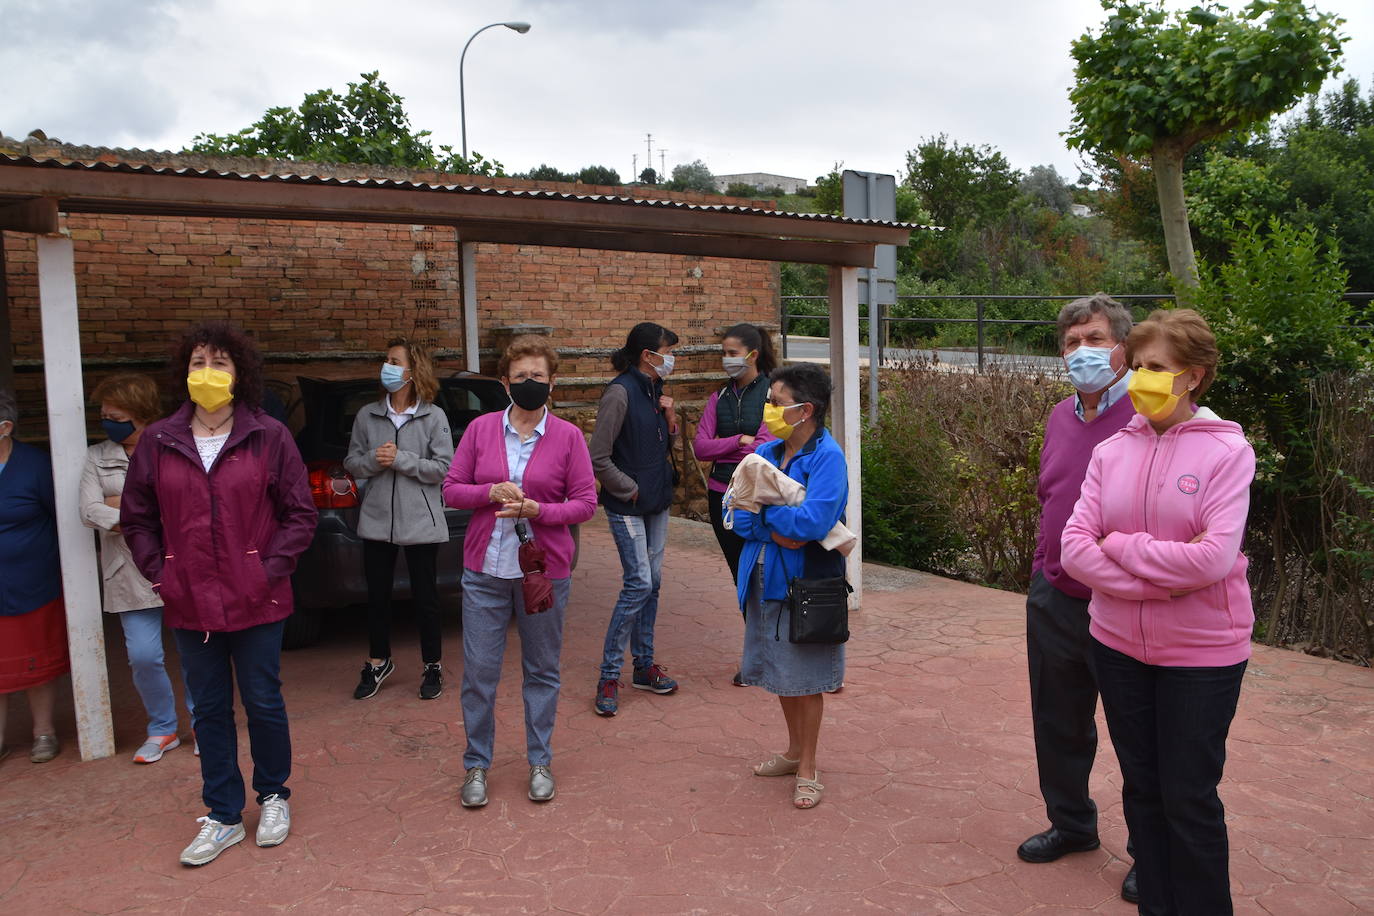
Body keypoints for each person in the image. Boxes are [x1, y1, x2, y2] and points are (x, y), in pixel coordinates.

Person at [1061, 309, 1255, 915]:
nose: (1142, 378)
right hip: (1117, 645)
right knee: (1143, 791)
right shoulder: (1112, 450)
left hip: (1202, 653)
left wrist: (1117, 547)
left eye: (1158, 368)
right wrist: (1147, 582)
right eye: (1138, 366)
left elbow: (1211, 561)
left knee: (1188, 797)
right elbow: (1073, 546)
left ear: (1193, 377)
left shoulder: (1227, 452)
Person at [121, 321, 316, 867]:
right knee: (208, 710)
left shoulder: (267, 435)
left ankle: (274, 796)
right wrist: (162, 573)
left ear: (240, 374)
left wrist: (267, 570)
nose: (208, 373)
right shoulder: (159, 440)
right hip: (189, 599)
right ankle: (224, 815)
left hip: (258, 597)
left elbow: (300, 515)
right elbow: (136, 519)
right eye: (199, 363)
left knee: (262, 701)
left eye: (220, 363)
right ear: (185, 373)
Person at [441, 335, 596, 807]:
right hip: (485, 572)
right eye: (521, 376)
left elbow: (586, 504)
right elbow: (451, 490)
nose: (530, 384)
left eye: (539, 377)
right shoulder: (481, 430)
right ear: (505, 381)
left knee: (542, 670)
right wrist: (489, 492)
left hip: (543, 573)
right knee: (480, 674)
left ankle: (540, 760)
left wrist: (537, 510)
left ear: (553, 384)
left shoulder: (568, 436)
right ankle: (476, 766)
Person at [1019, 293, 1138, 902]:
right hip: (1056, 597)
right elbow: (1051, 498)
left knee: (1139, 732)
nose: (1082, 352)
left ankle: (1152, 847)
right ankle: (1071, 824)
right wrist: (1044, 569)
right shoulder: (1059, 417)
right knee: (1058, 720)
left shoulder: (1154, 416)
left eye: (1094, 339)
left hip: (1125, 605)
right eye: (1071, 343)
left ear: (1124, 347)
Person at [729, 364, 847, 810]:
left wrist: (765, 517)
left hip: (805, 582)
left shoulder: (827, 457)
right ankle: (794, 751)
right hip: (762, 574)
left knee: (806, 675)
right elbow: (739, 515)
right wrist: (772, 526)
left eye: (777, 403)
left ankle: (809, 767)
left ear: (805, 410)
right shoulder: (768, 452)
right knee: (780, 670)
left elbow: (815, 522)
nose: (770, 410)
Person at [81, 372, 197, 764]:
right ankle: (162, 727)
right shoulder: (96, 457)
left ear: (140, 413)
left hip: (179, 564)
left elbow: (188, 504)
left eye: (114, 414)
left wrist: (121, 505)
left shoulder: (172, 446)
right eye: (103, 413)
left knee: (198, 651)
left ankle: (205, 724)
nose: (106, 420)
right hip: (126, 573)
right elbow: (88, 509)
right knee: (144, 655)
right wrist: (141, 512)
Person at [344, 337, 454, 701]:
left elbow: (444, 468)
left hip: (421, 520)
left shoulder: (433, 416)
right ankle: (378, 661)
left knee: (426, 598)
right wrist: (375, 460)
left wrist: (402, 459)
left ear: (412, 371)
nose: (386, 366)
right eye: (385, 359)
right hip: (376, 520)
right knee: (377, 596)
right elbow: (352, 463)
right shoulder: (367, 415)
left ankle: (432, 664)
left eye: (394, 360)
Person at [589, 321, 681, 717]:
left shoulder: (654, 390)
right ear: (648, 355)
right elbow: (598, 456)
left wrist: (672, 419)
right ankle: (609, 674)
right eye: (667, 351)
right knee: (639, 581)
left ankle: (643, 666)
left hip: (657, 500)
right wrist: (629, 488)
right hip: (627, 503)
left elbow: (660, 443)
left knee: (653, 582)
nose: (671, 359)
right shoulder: (620, 393)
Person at [693, 323, 777, 686]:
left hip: (758, 497)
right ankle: (756, 659)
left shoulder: (774, 392)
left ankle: (776, 654)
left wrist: (727, 442)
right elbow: (700, 446)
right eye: (723, 353)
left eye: (731, 353)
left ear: (752, 355)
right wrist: (737, 439)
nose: (726, 359)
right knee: (740, 578)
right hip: (720, 495)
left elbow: (764, 446)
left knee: (765, 576)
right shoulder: (719, 397)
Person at [0, 388, 68, 764]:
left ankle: (44, 732)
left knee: (37, 661)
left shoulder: (34, 466)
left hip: (32, 581)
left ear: (5, 427)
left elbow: (60, 517)